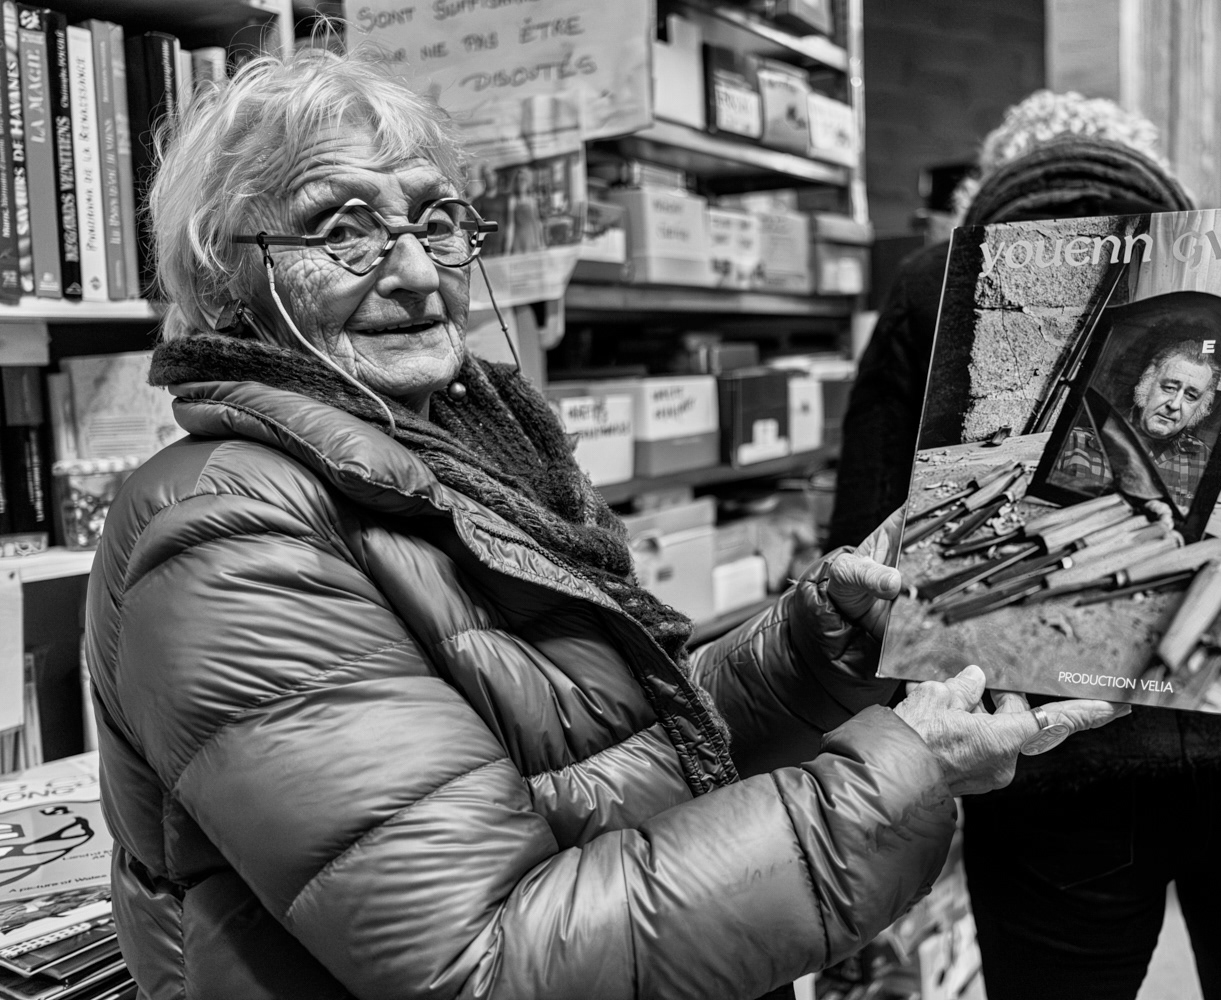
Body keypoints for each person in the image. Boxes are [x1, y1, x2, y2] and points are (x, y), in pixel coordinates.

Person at [84, 51, 1128, 1000]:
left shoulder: (459, 454)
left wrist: (819, 649)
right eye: (341, 229)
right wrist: (904, 763)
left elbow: (610, 763)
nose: (411, 272)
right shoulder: (227, 537)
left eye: (433, 220)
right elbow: (485, 961)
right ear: (227, 274)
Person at [829, 90, 1221, 1000]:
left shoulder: (935, 281)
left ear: (987, 186)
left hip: (1053, 768)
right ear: (1163, 180)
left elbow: (857, 563)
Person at [1055, 339, 1220, 510]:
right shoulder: (1073, 443)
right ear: (1146, 385)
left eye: (1191, 396)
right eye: (1169, 387)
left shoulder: (1204, 460)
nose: (1175, 405)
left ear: (1201, 406)